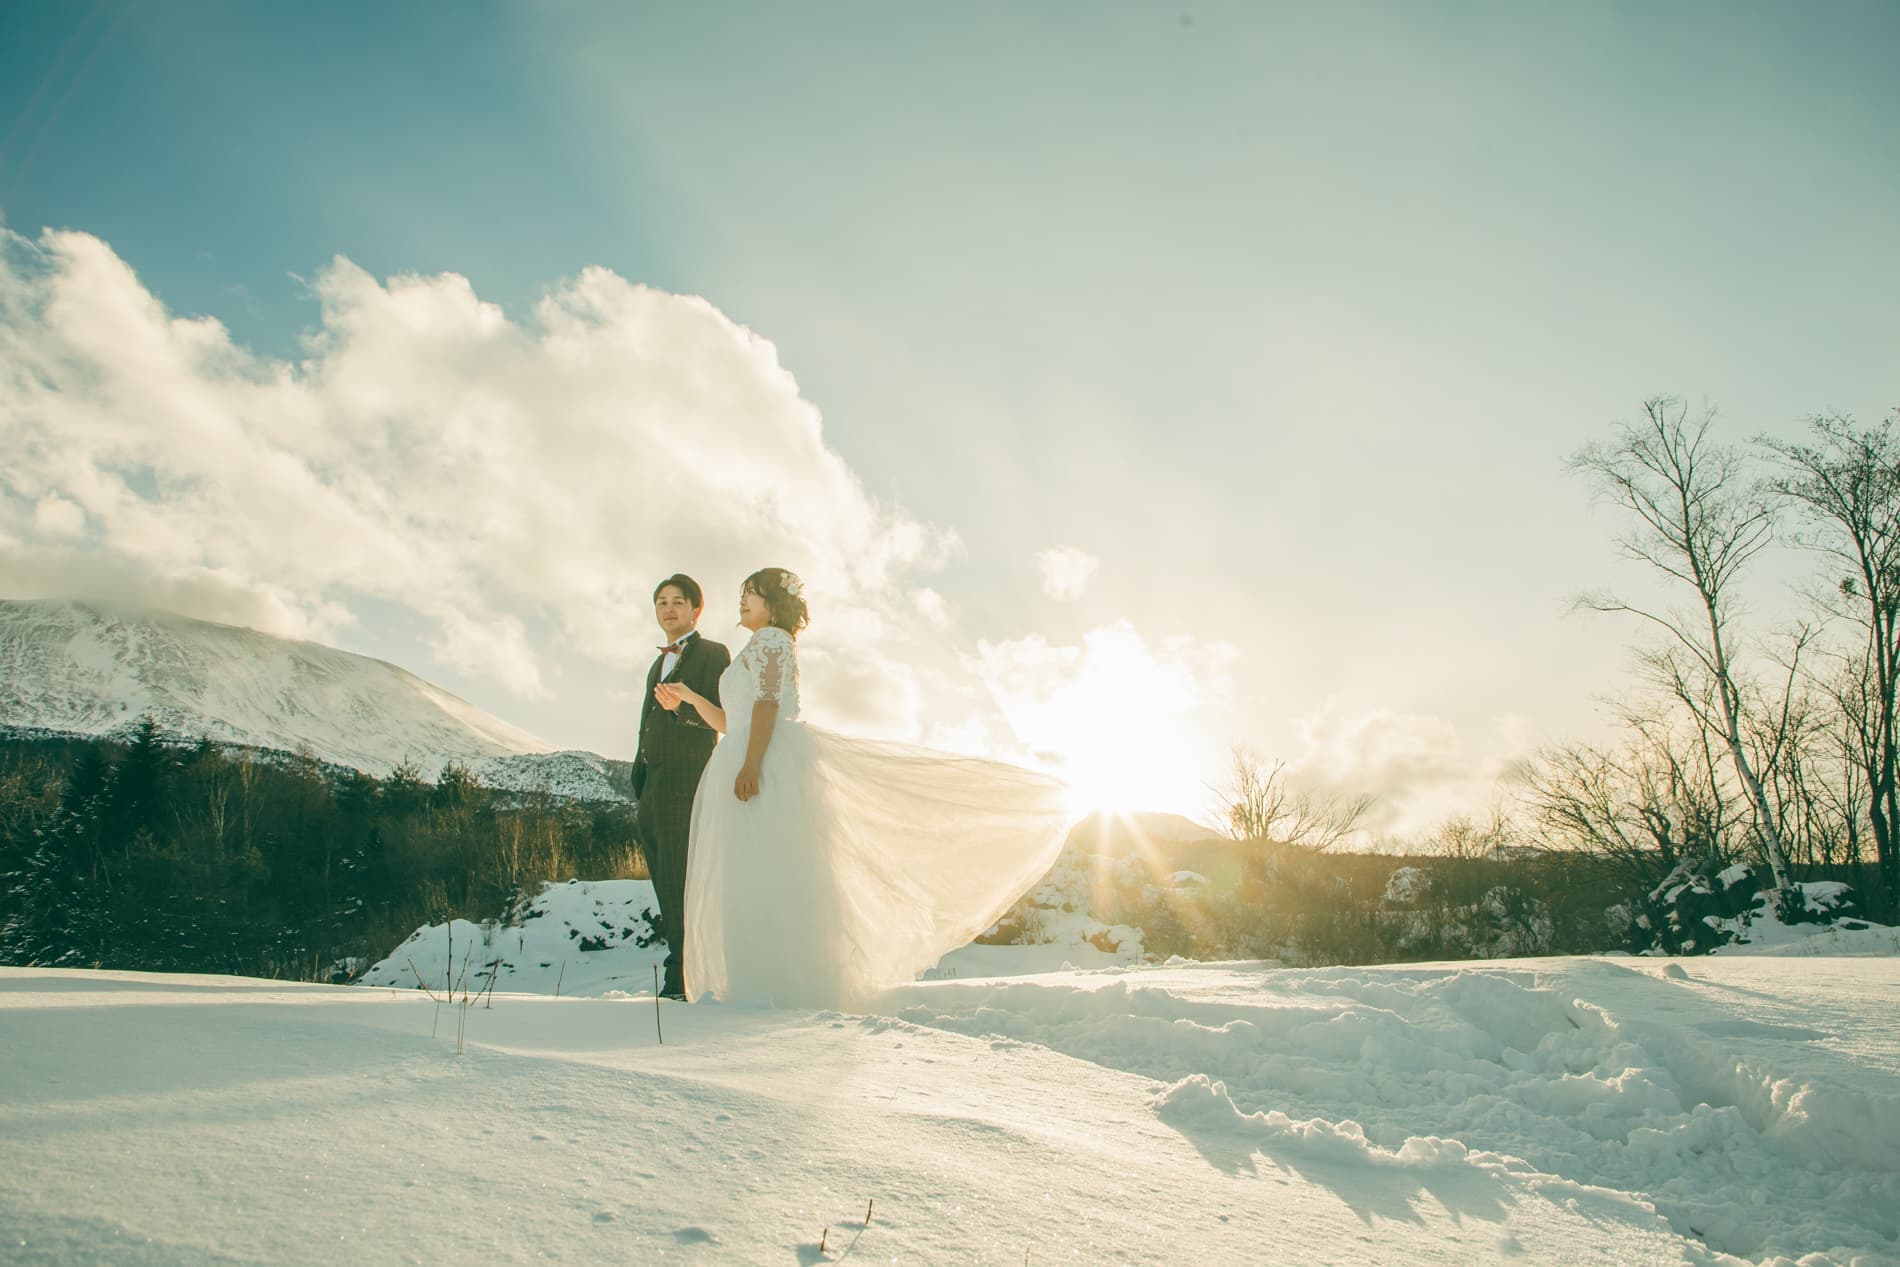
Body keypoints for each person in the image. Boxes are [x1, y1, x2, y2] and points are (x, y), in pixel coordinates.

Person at [656, 567, 1073, 1009]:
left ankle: (779, 985)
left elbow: (768, 703)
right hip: (743, 748)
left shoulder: (774, 639)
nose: (744, 601)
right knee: (747, 872)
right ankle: (752, 980)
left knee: (770, 868)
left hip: (767, 759)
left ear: (774, 605)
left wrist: (753, 763)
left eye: (753, 593)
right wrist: (692, 698)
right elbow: (730, 721)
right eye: (743, 593)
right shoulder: (753, 646)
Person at [632, 573, 731, 999]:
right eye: (661, 602)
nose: (668, 609)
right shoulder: (657, 663)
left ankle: (684, 979)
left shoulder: (712, 653)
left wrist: (680, 709)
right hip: (652, 783)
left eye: (677, 601)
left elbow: (722, 716)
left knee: (682, 879)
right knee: (664, 881)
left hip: (687, 779)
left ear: (696, 610)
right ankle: (681, 973)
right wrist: (639, 777)